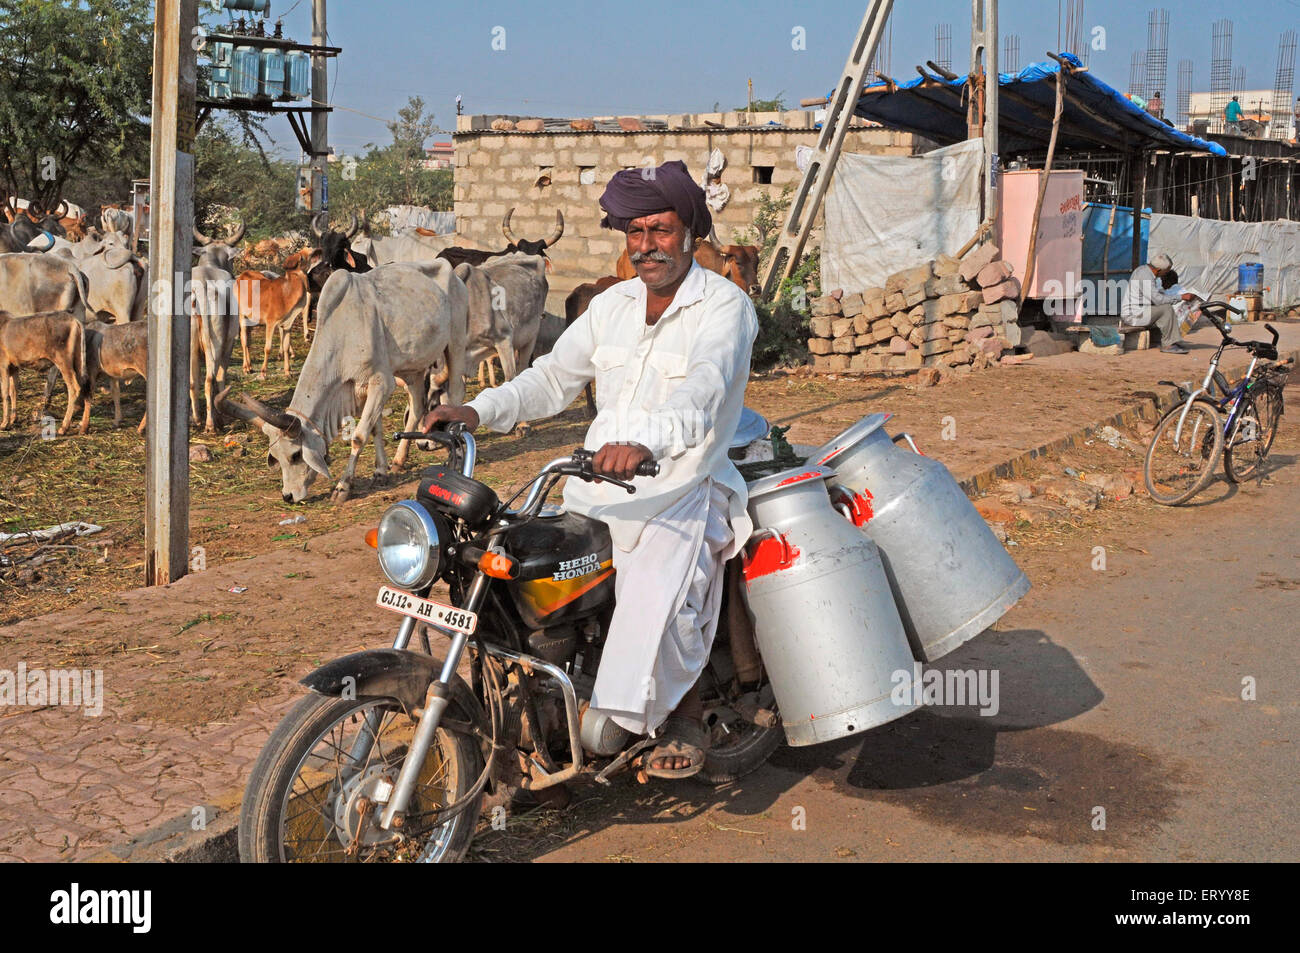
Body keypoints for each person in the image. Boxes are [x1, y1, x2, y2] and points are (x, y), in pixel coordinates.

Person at [420, 160, 758, 780]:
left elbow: (703, 393)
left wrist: (642, 441)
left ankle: (672, 713)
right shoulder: (613, 305)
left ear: (689, 231)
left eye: (660, 229)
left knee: (652, 598)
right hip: (595, 488)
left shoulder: (724, 308)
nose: (646, 245)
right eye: (635, 231)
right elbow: (552, 378)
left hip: (682, 489)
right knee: (515, 566)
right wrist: (477, 408)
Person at [1120, 253, 1197, 354]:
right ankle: (1168, 345)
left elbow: (1153, 296)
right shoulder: (1145, 275)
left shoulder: (1144, 270)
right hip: (1134, 315)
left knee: (1164, 308)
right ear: (1159, 270)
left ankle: (1170, 340)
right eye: (1166, 271)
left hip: (1139, 311)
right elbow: (1158, 300)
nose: (1165, 274)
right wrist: (1181, 297)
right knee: (1166, 309)